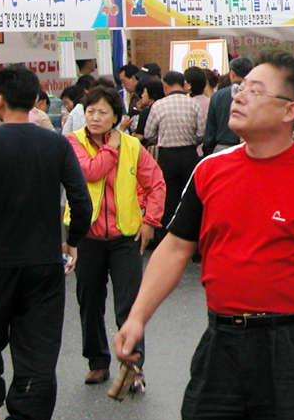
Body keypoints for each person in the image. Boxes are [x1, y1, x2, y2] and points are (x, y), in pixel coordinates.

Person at [114, 52, 294, 420]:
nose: (238, 96)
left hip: (291, 347)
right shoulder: (210, 170)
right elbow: (175, 247)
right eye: (240, 88)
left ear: (289, 111)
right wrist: (137, 317)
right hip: (221, 340)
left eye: (254, 91)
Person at [0, 64, 92, 420]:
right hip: (44, 263)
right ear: (34, 101)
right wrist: (72, 241)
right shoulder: (56, 143)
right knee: (37, 353)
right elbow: (82, 202)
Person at [67, 86, 165, 389]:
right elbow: (90, 172)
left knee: (129, 305)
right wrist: (110, 147)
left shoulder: (133, 146)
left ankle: (132, 367)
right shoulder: (72, 142)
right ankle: (97, 362)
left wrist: (150, 221)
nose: (95, 118)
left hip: (126, 236)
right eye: (90, 111)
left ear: (115, 117)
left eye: (102, 112)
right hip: (87, 236)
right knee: (90, 301)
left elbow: (156, 183)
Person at [145, 72, 205, 235]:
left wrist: (162, 138)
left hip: (167, 156)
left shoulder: (158, 105)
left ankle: (166, 237)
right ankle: (192, 239)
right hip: (189, 155)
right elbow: (201, 133)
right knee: (190, 198)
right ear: (183, 84)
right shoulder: (193, 104)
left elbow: (149, 134)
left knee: (168, 198)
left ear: (165, 85)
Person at [203, 56, 252, 156]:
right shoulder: (256, 95)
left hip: (223, 148)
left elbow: (210, 131)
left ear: (232, 74)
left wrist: (208, 151)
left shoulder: (217, 96)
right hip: (250, 147)